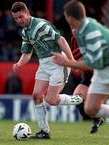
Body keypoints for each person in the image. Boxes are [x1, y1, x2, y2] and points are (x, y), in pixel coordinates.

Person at [52, 1, 109, 144]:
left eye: (66, 17)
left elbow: (93, 64)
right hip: (103, 69)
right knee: (90, 109)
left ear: (70, 17)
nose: (67, 21)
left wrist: (66, 62)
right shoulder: (80, 32)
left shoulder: (91, 32)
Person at [11, 2, 83, 139]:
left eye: (20, 17)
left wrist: (71, 61)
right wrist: (19, 63)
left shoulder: (40, 25)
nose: (19, 20)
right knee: (36, 95)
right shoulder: (25, 31)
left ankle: (79, 100)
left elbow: (61, 39)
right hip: (44, 64)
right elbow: (27, 53)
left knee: (51, 99)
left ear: (27, 13)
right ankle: (44, 131)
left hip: (57, 62)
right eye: (15, 18)